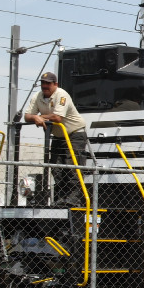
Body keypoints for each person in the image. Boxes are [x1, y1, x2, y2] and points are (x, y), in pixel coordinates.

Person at [24, 72, 88, 205]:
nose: (45, 86)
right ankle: (60, 199)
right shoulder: (37, 96)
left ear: (55, 84)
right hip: (59, 135)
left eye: (48, 83)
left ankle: (73, 200)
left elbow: (58, 118)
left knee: (72, 167)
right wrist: (35, 117)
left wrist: (41, 117)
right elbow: (27, 116)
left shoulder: (62, 95)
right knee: (56, 168)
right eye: (43, 83)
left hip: (74, 134)